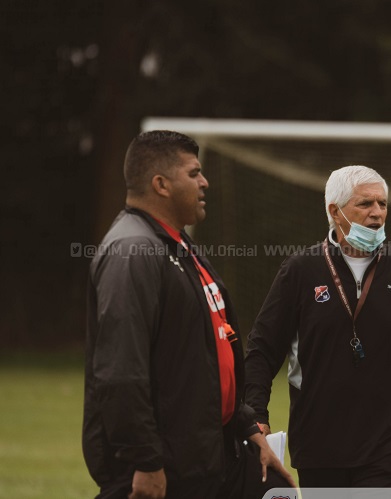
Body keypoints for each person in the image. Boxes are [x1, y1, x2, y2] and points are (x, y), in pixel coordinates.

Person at [83, 130, 295, 499]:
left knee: (276, 492)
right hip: (166, 465)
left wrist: (248, 428)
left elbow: (209, 353)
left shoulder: (178, 245)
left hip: (212, 452)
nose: (204, 182)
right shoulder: (134, 251)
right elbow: (120, 372)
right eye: (194, 173)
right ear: (161, 184)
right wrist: (146, 462)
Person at [245, 165, 391, 490]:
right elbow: (262, 350)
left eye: (382, 204)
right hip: (318, 440)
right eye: (365, 204)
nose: (377, 213)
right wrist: (257, 412)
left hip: (388, 440)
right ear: (335, 210)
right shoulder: (301, 270)